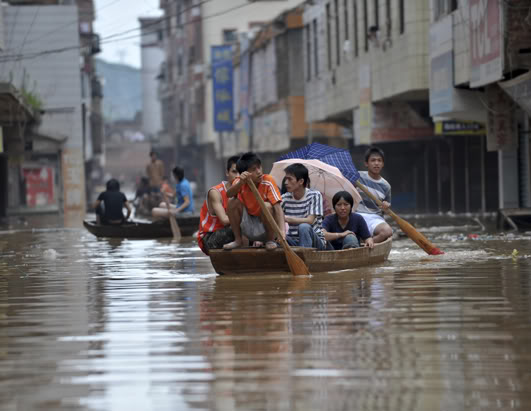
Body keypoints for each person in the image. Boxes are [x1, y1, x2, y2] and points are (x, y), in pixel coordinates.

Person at [223, 152, 285, 251]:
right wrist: (241, 183)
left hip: (267, 227)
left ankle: (270, 240)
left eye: (259, 167)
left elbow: (278, 208)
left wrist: (282, 232)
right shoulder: (239, 181)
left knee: (267, 206)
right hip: (248, 227)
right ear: (245, 173)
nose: (259, 172)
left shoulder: (268, 181)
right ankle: (238, 240)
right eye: (253, 170)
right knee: (232, 201)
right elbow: (228, 194)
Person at [197, 156, 240, 255]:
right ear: (227, 173)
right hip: (209, 239)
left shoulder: (245, 190)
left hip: (232, 231)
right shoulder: (216, 192)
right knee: (243, 227)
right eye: (234, 172)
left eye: (240, 172)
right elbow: (225, 221)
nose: (238, 176)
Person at [281, 163, 326, 250]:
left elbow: (309, 220)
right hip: (293, 241)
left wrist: (286, 218)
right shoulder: (284, 198)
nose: (286, 183)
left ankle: (305, 259)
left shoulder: (314, 195)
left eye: (290, 179)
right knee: (278, 236)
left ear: (301, 181)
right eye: (286, 179)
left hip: (315, 241)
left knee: (304, 227)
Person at [356, 146, 393, 243]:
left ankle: (366, 243)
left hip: (375, 217)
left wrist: (386, 206)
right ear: (366, 163)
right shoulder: (357, 177)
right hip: (357, 215)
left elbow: (387, 210)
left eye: (379, 160)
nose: (376, 163)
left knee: (387, 231)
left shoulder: (386, 186)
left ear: (383, 164)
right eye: (373, 160)